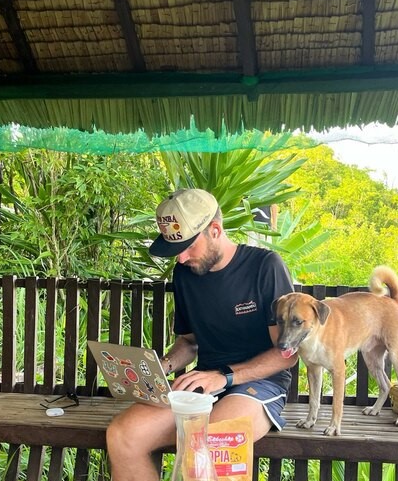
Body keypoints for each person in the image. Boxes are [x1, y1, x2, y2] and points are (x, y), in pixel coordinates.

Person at [106, 188, 297, 481]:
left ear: (215, 230)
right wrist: (163, 366)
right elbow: (189, 342)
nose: (181, 258)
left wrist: (225, 376)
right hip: (204, 382)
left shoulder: (265, 267)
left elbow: (286, 355)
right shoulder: (185, 274)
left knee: (206, 445)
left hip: (260, 386)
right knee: (123, 435)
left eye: (187, 246)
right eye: (175, 249)